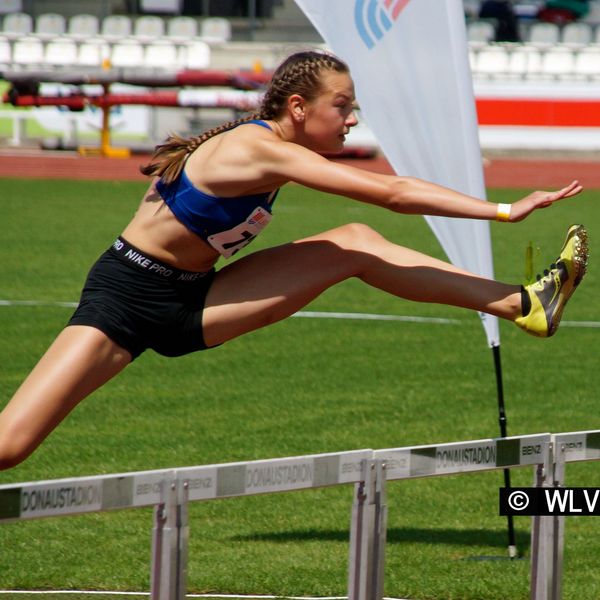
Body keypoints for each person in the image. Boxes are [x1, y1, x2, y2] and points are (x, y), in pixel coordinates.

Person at [0, 50, 588, 471]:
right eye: (344, 106)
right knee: (10, 445)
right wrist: (505, 210)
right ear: (300, 107)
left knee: (355, 242)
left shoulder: (277, 148)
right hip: (126, 297)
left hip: (195, 297)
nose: (353, 119)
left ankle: (526, 303)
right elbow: (393, 193)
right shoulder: (258, 149)